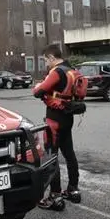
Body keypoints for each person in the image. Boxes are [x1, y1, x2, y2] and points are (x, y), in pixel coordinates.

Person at [32, 43, 87, 210]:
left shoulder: (56, 72)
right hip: (67, 118)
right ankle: (73, 190)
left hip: (54, 119)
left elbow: (38, 91)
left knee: (51, 157)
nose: (45, 65)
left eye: (45, 61)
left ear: (51, 57)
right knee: (69, 154)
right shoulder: (72, 70)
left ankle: (55, 197)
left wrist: (38, 87)